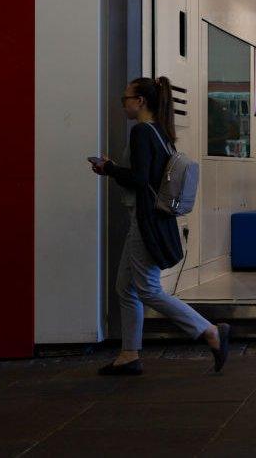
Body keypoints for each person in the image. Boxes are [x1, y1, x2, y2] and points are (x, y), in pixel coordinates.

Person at [90, 77, 229, 375]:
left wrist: (109, 169)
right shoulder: (160, 134)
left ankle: (209, 331)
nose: (123, 103)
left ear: (140, 101)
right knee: (125, 287)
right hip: (147, 220)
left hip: (144, 220)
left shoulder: (142, 132)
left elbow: (140, 181)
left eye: (126, 98)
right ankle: (129, 354)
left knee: (149, 290)